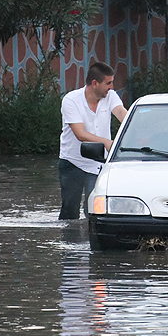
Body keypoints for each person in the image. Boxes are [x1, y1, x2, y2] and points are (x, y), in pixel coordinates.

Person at [58, 62, 128, 220]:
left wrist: (136, 128)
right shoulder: (71, 100)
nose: (111, 87)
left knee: (95, 210)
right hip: (72, 162)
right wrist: (107, 142)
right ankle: (69, 242)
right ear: (95, 83)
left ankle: (92, 241)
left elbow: (122, 115)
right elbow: (80, 134)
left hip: (99, 164)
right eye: (108, 83)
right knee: (69, 210)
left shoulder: (110, 96)